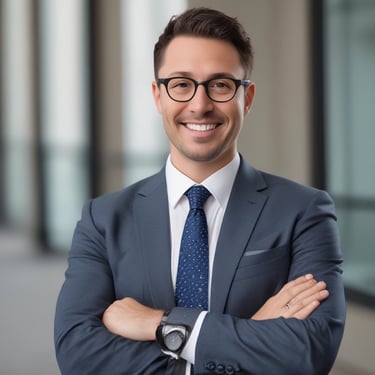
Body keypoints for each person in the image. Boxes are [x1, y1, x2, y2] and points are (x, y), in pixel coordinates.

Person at [54, 7, 345, 375]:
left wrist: (158, 324)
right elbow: (77, 353)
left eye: (220, 85)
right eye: (181, 84)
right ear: (158, 96)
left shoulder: (305, 211)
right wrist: (246, 338)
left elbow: (308, 351)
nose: (200, 104)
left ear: (247, 97)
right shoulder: (103, 218)